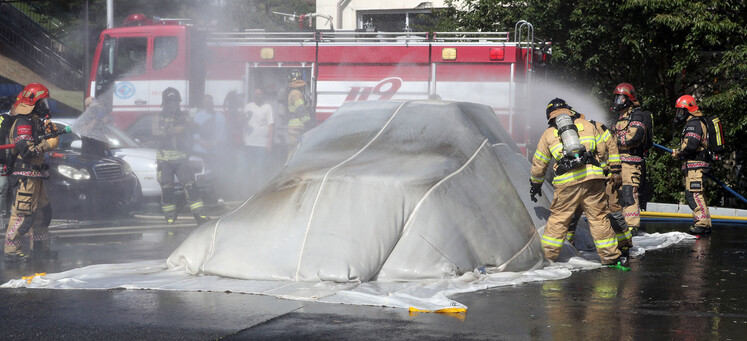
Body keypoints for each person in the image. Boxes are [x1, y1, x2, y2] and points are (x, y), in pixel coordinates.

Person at [530, 98, 624, 266]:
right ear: (569, 110)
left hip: (567, 182)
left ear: (550, 116)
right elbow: (602, 150)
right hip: (593, 178)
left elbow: (540, 163)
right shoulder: (588, 125)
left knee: (559, 219)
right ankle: (611, 257)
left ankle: (548, 257)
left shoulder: (549, 134)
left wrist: (535, 184)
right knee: (599, 218)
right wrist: (601, 171)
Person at [564, 104, 632, 257]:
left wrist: (615, 171)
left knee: (612, 210)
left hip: (606, 177)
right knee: (572, 213)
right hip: (582, 178)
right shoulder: (568, 134)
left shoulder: (597, 126)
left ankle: (624, 244)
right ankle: (569, 248)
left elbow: (612, 147)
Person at [3, 83, 59, 262]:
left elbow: (39, 142)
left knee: (43, 213)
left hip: (36, 176)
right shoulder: (22, 122)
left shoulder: (34, 121)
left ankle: (40, 249)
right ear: (33, 102)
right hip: (24, 176)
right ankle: (12, 252)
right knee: (22, 215)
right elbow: (27, 152)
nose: (45, 106)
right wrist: (47, 144)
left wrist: (50, 133)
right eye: (43, 102)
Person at [152, 87, 210, 225]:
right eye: (169, 102)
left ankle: (199, 215)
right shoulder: (157, 117)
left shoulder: (184, 117)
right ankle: (170, 217)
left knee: (190, 186)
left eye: (175, 102)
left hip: (181, 159)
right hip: (164, 161)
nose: (173, 105)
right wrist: (173, 130)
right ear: (164, 103)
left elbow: (197, 129)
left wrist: (191, 124)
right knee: (167, 189)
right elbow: (155, 133)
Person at [610, 83, 653, 236]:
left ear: (629, 99)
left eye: (620, 97)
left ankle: (632, 226)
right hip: (618, 162)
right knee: (615, 193)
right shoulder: (621, 116)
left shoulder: (638, 115)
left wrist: (613, 141)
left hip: (631, 162)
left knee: (629, 193)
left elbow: (634, 137)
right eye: (616, 97)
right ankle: (620, 225)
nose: (617, 100)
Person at [672, 95, 712, 234]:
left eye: (681, 111)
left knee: (693, 195)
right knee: (698, 194)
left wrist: (679, 152)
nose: (679, 115)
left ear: (688, 110)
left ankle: (701, 224)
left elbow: (691, 145)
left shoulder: (694, 124)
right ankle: (705, 224)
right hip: (696, 165)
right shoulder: (696, 122)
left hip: (696, 165)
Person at [242, 87, 274, 195]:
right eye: (256, 94)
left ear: (263, 95)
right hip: (248, 144)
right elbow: (243, 123)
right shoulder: (247, 107)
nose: (257, 96)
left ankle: (259, 195)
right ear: (253, 95)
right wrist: (243, 139)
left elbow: (270, 126)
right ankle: (246, 195)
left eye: (260, 94)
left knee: (259, 171)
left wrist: (269, 143)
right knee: (246, 170)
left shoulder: (267, 107)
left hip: (261, 145)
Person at [286, 69, 312, 156]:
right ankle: (290, 169)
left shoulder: (292, 92)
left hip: (295, 128)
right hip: (296, 129)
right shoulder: (296, 93)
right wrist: (309, 121)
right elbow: (301, 110)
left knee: (293, 152)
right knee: (294, 154)